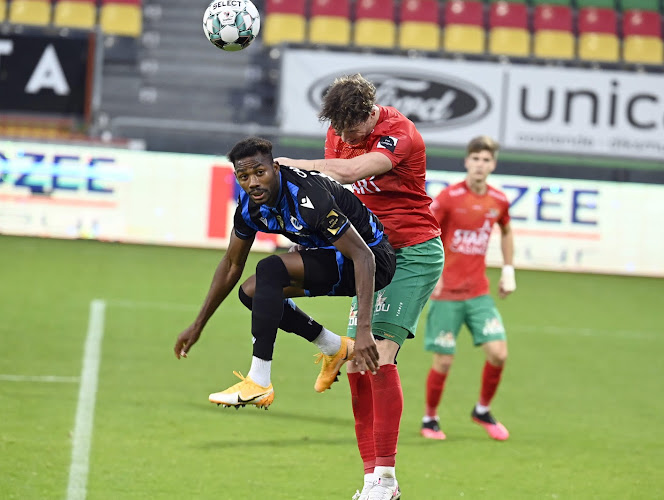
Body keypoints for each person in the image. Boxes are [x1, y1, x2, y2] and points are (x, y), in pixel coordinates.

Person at [276, 74, 444, 500]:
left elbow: (350, 172)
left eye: (351, 128)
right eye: (339, 129)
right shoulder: (338, 132)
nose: (345, 136)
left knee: (380, 354)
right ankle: (371, 479)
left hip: (413, 251)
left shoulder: (399, 133)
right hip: (372, 255)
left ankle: (386, 480)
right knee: (356, 363)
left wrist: (294, 168)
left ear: (370, 113)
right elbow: (335, 189)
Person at [173, 137, 396, 411]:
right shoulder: (250, 206)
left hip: (374, 260)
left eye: (259, 172)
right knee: (252, 293)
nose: (253, 182)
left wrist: (364, 331)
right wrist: (198, 325)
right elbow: (232, 264)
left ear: (275, 169)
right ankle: (334, 346)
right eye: (244, 176)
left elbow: (364, 256)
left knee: (269, 269)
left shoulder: (309, 196)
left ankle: (259, 380)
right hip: (332, 255)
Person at [420, 135, 516, 442]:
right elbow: (427, 233)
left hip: (478, 292)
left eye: (486, 160)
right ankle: (430, 418)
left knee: (499, 353)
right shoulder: (448, 198)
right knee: (444, 360)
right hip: (446, 293)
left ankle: (482, 410)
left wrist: (509, 269)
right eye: (475, 158)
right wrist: (431, 276)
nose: (480, 164)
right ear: (466, 162)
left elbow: (506, 230)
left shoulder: (498, 200)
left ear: (493, 164)